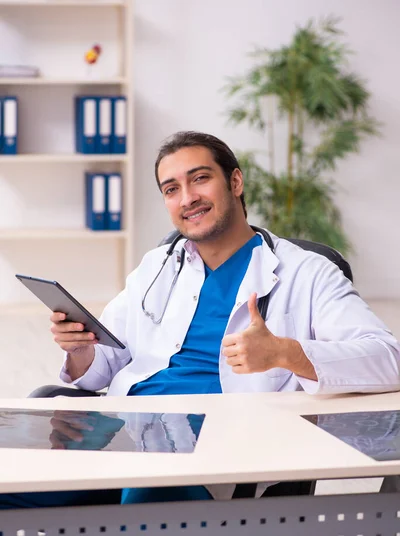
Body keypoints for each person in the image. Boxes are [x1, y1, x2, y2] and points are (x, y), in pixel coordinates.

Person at [3, 131, 399, 508]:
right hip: (124, 428)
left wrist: (286, 353)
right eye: (171, 189)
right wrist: (83, 348)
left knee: (148, 496)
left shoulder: (308, 273)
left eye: (200, 179)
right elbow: (105, 366)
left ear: (236, 182)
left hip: (210, 443)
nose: (188, 198)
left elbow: (388, 358)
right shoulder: (157, 265)